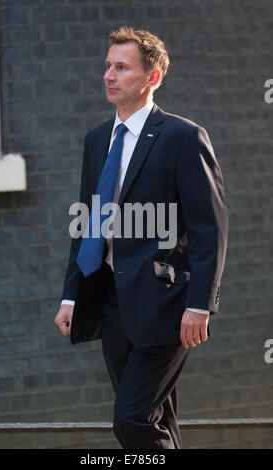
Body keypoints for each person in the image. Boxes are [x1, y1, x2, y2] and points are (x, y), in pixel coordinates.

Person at [54, 26, 228, 449]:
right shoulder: (97, 139)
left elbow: (210, 228)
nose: (109, 76)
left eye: (122, 68)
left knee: (131, 419)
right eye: (108, 66)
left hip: (167, 305)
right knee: (156, 419)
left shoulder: (183, 137)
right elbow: (88, 222)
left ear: (152, 77)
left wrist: (200, 304)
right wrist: (72, 295)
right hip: (110, 300)